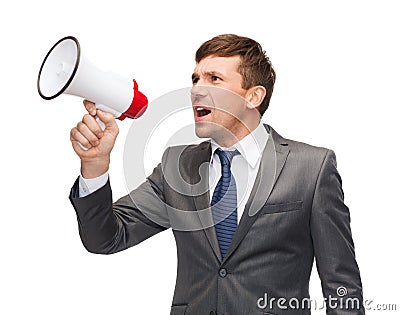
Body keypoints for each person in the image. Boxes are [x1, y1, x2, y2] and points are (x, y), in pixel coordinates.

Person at [69, 34, 364, 314]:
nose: (197, 89)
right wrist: (95, 167)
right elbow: (105, 238)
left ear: (254, 96)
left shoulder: (312, 167)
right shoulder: (177, 166)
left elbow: (342, 284)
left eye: (214, 79)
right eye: (195, 78)